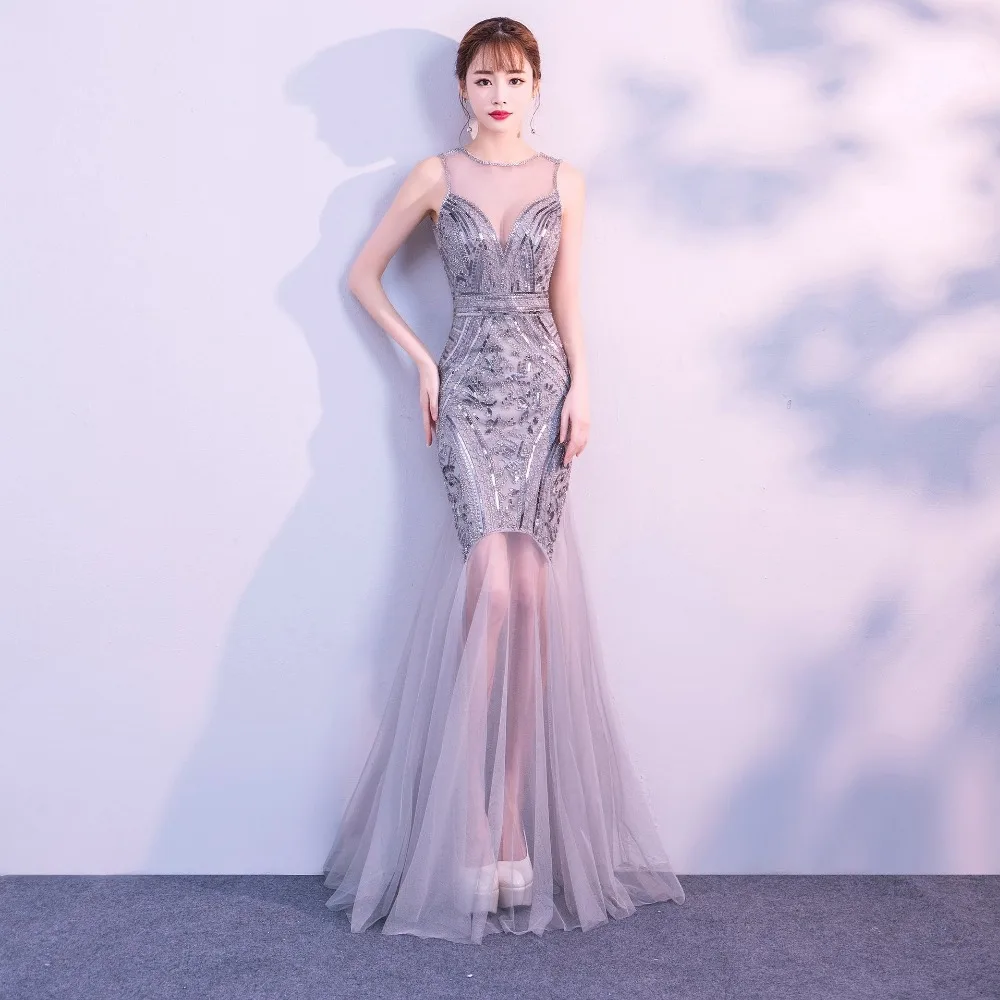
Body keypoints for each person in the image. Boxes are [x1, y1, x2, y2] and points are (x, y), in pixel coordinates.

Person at [321, 16, 685, 945]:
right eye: (483, 78)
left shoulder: (565, 180)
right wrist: (421, 361)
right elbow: (361, 277)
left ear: (535, 88)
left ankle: (515, 822)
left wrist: (585, 387)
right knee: (487, 590)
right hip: (469, 392)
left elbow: (568, 299)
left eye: (514, 78)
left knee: (530, 603)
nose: (498, 93)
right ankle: (471, 825)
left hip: (543, 394)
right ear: (461, 87)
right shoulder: (434, 177)